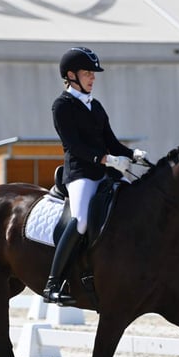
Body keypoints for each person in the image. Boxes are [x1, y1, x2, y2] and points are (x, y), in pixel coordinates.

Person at [43, 46, 147, 306]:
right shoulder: (62, 106)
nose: (93, 78)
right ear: (71, 75)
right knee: (80, 221)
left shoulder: (96, 106)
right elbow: (74, 145)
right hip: (80, 174)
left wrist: (132, 154)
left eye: (93, 73)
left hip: (105, 171)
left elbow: (111, 142)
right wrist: (107, 159)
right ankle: (53, 282)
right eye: (88, 72)